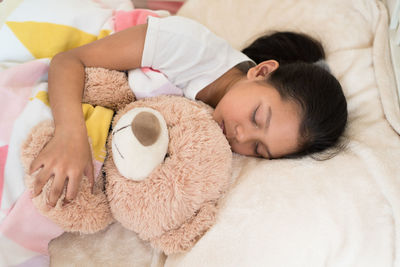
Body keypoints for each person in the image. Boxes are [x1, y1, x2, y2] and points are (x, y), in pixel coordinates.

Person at [29, 15, 347, 207]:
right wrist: (70, 133)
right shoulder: (187, 47)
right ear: (261, 72)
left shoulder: (212, 140)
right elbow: (68, 60)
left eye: (259, 149)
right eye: (256, 117)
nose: (241, 137)